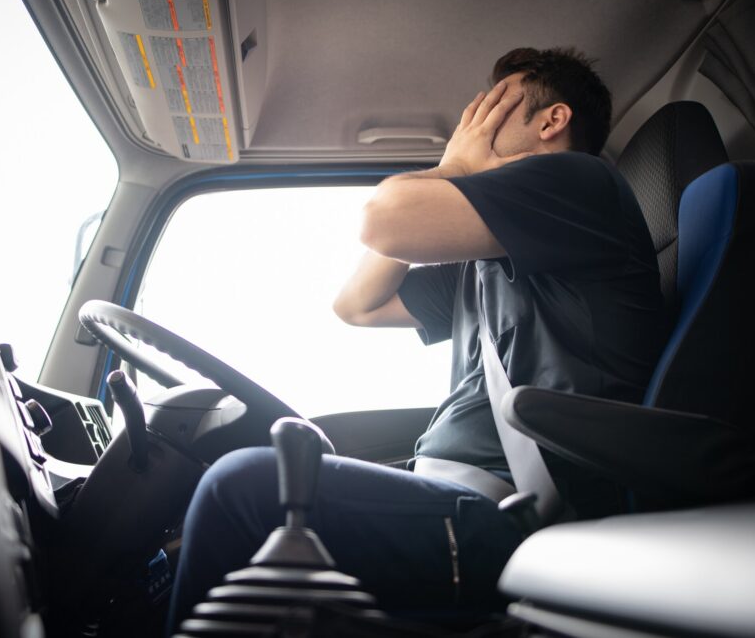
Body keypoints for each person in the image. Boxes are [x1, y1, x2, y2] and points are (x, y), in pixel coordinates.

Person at [167, 47, 664, 630]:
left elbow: (384, 220)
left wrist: (455, 169)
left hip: (518, 516)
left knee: (240, 488)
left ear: (552, 120)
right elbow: (358, 304)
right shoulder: (492, 254)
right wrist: (454, 180)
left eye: (495, 106)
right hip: (454, 493)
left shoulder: (580, 182)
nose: (472, 119)